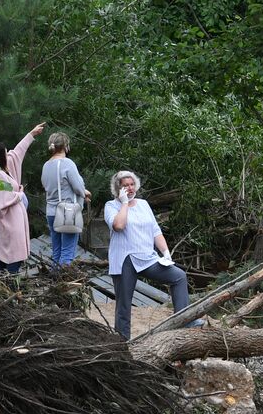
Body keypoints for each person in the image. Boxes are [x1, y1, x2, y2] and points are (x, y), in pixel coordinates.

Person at [104, 169, 194, 339]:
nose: (130, 188)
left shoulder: (143, 204)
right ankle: (122, 342)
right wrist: (124, 203)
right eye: (125, 186)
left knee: (179, 276)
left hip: (147, 257)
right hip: (125, 259)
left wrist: (165, 252)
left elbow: (155, 231)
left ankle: (185, 320)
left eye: (132, 184)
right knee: (124, 304)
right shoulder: (111, 206)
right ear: (118, 188)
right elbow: (119, 226)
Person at [0, 121, 45, 274]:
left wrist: (31, 134)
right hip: (10, 224)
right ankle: (9, 284)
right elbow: (3, 200)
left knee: (5, 259)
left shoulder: (5, 171)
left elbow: (17, 152)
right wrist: (20, 194)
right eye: (5, 153)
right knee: (12, 259)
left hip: (14, 223)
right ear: (0, 157)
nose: (8, 155)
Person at [40, 132, 92, 268]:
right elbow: (78, 187)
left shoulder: (46, 165)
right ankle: (64, 279)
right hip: (67, 212)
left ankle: (54, 276)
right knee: (67, 253)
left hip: (51, 212)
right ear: (65, 146)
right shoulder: (67, 163)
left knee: (56, 252)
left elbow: (46, 185)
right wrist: (85, 192)